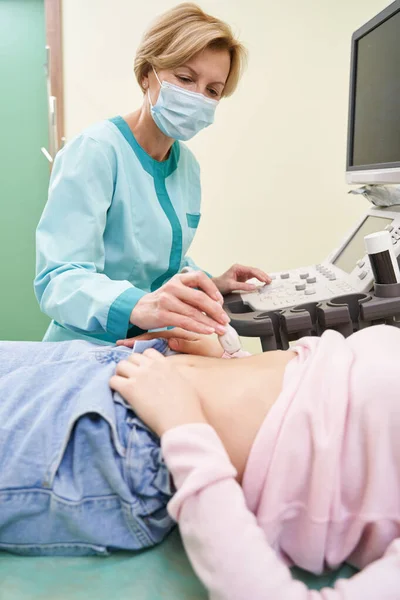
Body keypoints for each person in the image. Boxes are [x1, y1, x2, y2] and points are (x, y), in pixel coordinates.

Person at [0, 325, 399, 599]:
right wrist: (228, 358)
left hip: (118, 443)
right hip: (122, 365)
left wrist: (181, 422)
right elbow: (320, 398)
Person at [34, 2, 270, 345]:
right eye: (186, 78)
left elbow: (160, 265)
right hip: (83, 347)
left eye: (212, 90)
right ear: (148, 74)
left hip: (148, 344)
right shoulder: (96, 151)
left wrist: (209, 282)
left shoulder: (186, 166)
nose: (197, 97)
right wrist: (139, 305)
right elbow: (59, 278)